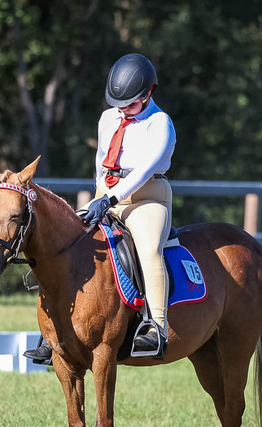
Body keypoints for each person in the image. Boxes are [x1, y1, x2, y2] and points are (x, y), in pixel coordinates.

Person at [25, 53, 176, 363]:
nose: (123, 110)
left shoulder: (159, 123)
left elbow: (143, 171)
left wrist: (109, 200)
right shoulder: (109, 118)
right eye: (119, 104)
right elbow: (101, 161)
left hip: (147, 198)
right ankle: (52, 329)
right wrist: (98, 196)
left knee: (148, 250)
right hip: (105, 194)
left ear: (149, 93)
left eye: (131, 104)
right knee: (65, 242)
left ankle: (156, 327)